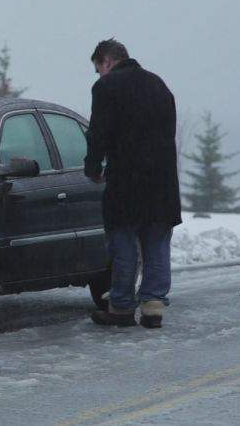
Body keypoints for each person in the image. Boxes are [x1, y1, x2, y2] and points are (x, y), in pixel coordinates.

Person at [84, 39, 182, 329]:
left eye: (97, 68)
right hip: (163, 182)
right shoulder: (159, 85)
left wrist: (93, 167)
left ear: (107, 61)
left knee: (124, 243)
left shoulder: (106, 87)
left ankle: (122, 308)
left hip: (127, 180)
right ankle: (153, 306)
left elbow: (98, 132)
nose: (99, 74)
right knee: (156, 243)